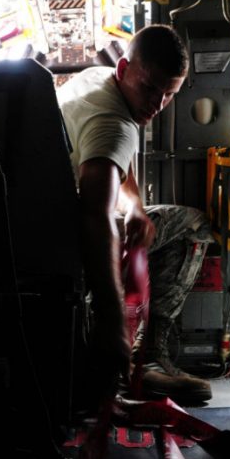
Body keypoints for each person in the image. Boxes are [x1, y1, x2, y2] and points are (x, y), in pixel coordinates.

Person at [57, 24, 213, 405]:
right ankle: (147, 359)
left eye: (169, 95)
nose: (156, 105)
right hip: (68, 230)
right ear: (124, 69)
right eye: (149, 89)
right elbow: (95, 212)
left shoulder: (97, 81)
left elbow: (115, 167)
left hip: (42, 223)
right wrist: (113, 325)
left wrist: (136, 209)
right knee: (193, 224)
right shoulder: (116, 125)